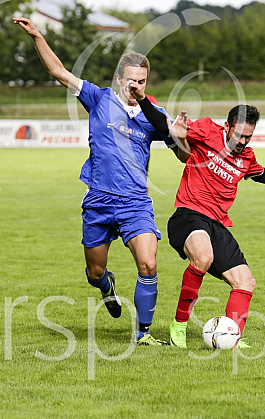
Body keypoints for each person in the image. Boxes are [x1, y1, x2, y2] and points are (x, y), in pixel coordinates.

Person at [14, 17, 180, 346]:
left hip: (135, 203)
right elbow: (59, 72)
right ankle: (108, 287)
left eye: (142, 82)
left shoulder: (154, 113)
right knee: (94, 274)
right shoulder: (98, 98)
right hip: (99, 201)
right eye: (131, 80)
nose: (136, 87)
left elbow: (183, 156)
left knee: (148, 262)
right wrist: (37, 36)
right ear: (119, 79)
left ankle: (143, 334)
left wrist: (178, 136)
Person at [131, 98, 265, 348]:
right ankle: (178, 325)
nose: (243, 141)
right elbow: (166, 124)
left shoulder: (246, 156)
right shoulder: (206, 130)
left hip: (217, 224)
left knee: (245, 281)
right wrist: (144, 102)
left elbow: (263, 174)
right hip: (188, 216)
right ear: (227, 126)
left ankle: (232, 336)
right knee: (202, 257)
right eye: (239, 135)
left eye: (249, 136)